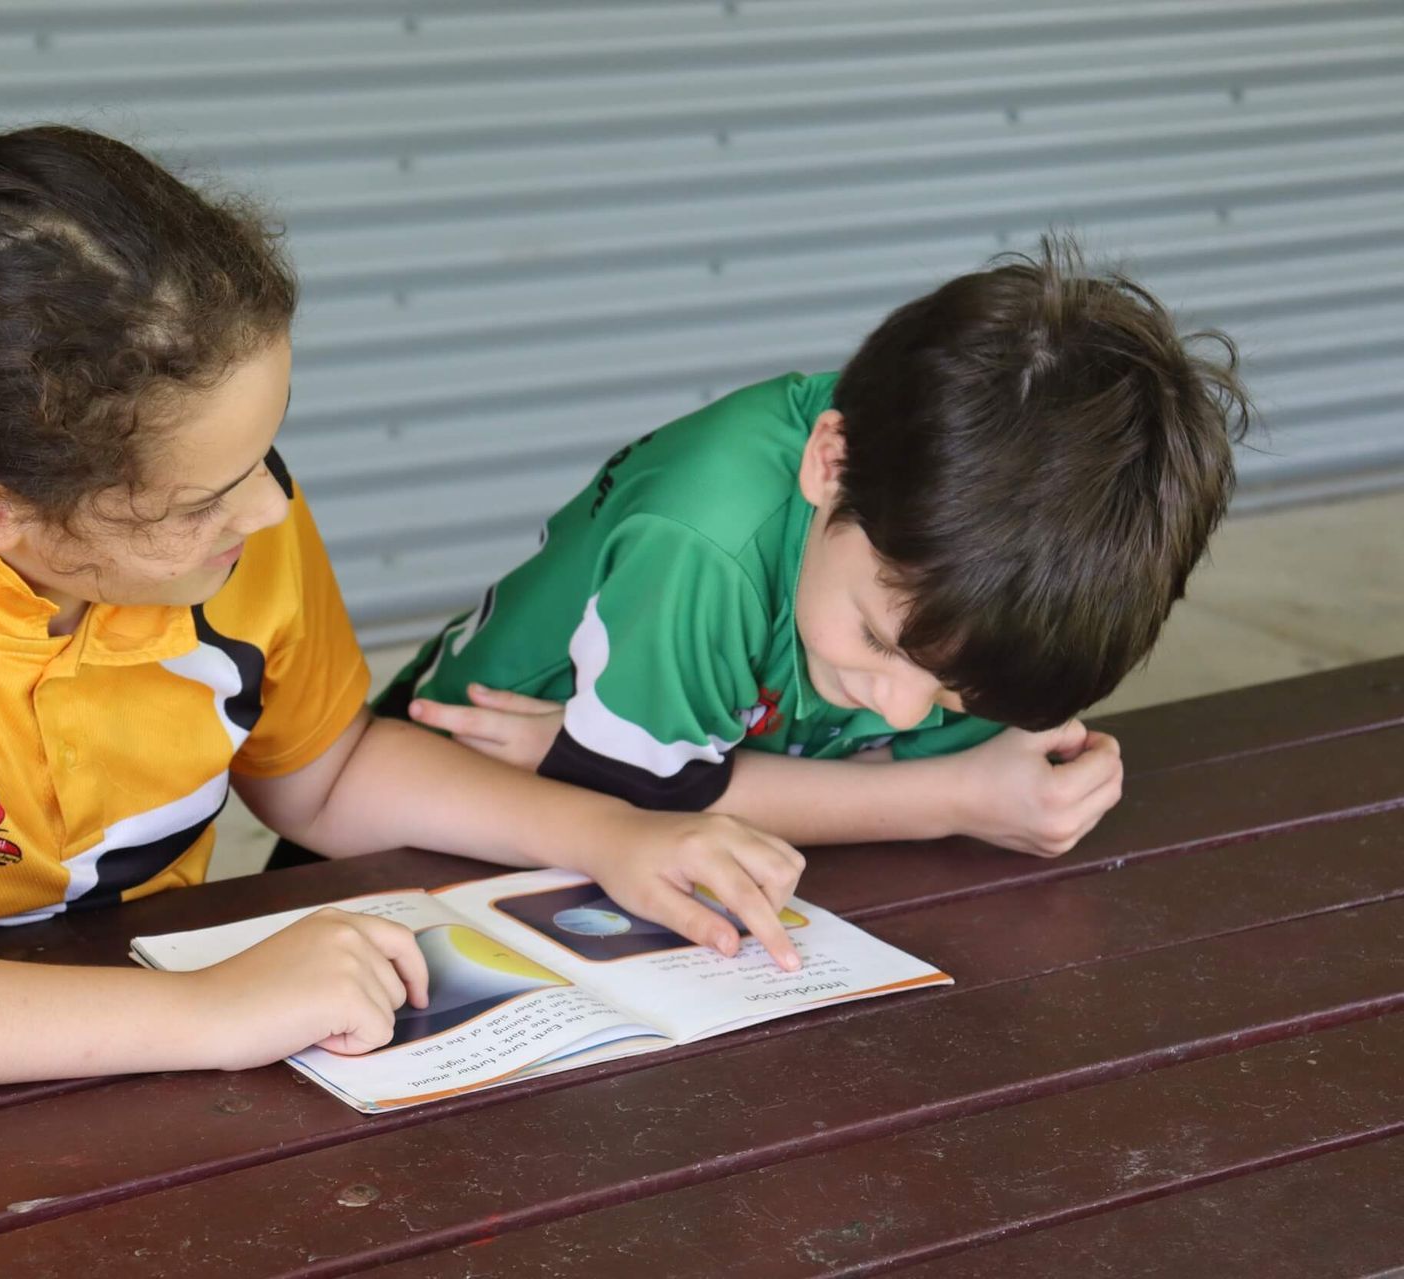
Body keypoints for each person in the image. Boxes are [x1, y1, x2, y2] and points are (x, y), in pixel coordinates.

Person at [0, 125, 807, 1102]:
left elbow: (323, 774)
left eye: (266, 454)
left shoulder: (226, 527)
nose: (267, 509)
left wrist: (607, 835)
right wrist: (207, 1013)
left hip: (145, 1061)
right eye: (207, 492)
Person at [271, 236, 1250, 870]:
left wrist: (1031, 769)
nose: (902, 706)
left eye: (958, 697)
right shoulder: (707, 536)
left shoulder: (966, 541)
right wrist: (953, 794)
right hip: (420, 848)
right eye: (878, 641)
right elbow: (641, 807)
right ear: (829, 463)